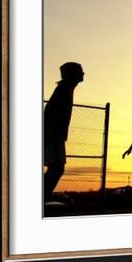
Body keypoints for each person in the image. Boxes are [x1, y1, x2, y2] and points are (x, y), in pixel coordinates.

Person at [43, 62, 85, 202]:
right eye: (80, 71)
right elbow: (50, 113)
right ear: (72, 75)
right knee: (56, 168)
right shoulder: (63, 90)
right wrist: (52, 136)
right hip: (53, 135)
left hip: (54, 135)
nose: (83, 73)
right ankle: (42, 196)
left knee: (56, 168)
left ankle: (43, 195)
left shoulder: (66, 89)